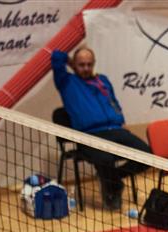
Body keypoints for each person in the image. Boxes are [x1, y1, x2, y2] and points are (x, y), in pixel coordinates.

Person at [50, 47, 151, 210]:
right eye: (81, 64)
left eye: (89, 64)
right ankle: (114, 188)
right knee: (106, 158)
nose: (86, 68)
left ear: (94, 64)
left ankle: (110, 179)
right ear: (75, 65)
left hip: (115, 129)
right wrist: (69, 61)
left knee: (147, 155)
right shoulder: (66, 82)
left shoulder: (103, 80)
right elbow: (56, 56)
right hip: (89, 135)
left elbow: (114, 102)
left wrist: (120, 120)